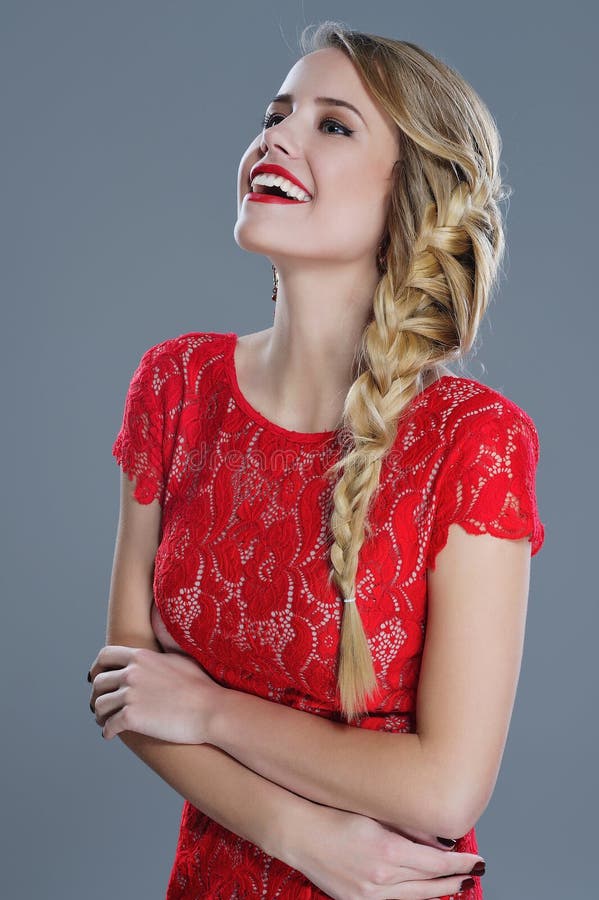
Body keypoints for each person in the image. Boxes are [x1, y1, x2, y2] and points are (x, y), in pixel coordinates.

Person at [87, 20, 545, 900]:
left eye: (332, 125)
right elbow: (129, 684)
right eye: (275, 112)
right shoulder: (175, 385)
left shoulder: (472, 440)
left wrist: (210, 710)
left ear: (408, 194)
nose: (275, 137)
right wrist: (300, 835)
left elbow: (446, 786)